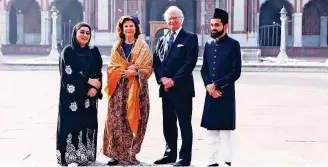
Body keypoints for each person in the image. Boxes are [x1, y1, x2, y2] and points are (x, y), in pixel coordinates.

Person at [152, 6, 199, 166]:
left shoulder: (190, 38)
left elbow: (189, 63)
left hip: (182, 88)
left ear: (181, 19)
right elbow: (156, 62)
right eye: (169, 18)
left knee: (184, 123)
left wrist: (173, 80)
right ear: (166, 21)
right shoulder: (162, 39)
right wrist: (162, 79)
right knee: (168, 123)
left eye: (175, 18)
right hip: (165, 89)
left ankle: (184, 157)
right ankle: (169, 154)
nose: (172, 21)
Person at [103, 15, 153, 166]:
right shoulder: (117, 47)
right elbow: (111, 67)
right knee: (116, 121)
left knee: (135, 120)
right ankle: (115, 154)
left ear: (136, 29)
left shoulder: (143, 47)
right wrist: (122, 69)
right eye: (126, 26)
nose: (129, 29)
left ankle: (130, 154)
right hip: (118, 90)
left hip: (136, 91)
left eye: (131, 26)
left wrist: (136, 73)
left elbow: (148, 68)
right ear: (122, 29)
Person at [56, 22, 103, 167]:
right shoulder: (68, 51)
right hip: (72, 98)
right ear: (75, 33)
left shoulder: (93, 51)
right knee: (71, 124)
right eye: (81, 32)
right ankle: (69, 156)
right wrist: (89, 81)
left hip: (89, 97)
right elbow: (68, 73)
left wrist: (96, 88)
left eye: (88, 33)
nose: (85, 35)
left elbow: (98, 72)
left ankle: (86, 155)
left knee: (87, 123)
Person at [200, 8, 242, 167]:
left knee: (226, 133)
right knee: (210, 131)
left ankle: (226, 162)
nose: (213, 28)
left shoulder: (233, 44)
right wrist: (208, 87)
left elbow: (235, 72)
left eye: (216, 25)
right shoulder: (209, 44)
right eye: (211, 25)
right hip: (210, 94)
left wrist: (216, 85)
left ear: (225, 26)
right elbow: (204, 69)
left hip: (226, 94)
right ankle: (212, 162)